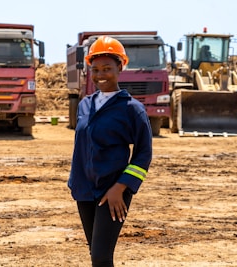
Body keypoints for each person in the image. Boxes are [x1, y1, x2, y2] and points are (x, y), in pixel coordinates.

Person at [68, 36, 153, 267]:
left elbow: (144, 153)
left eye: (107, 68)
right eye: (95, 69)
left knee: (101, 257)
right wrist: (74, 182)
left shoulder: (132, 109)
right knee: (96, 254)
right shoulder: (85, 104)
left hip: (113, 191)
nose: (100, 74)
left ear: (120, 68)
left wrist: (120, 187)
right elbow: (82, 147)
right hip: (85, 190)